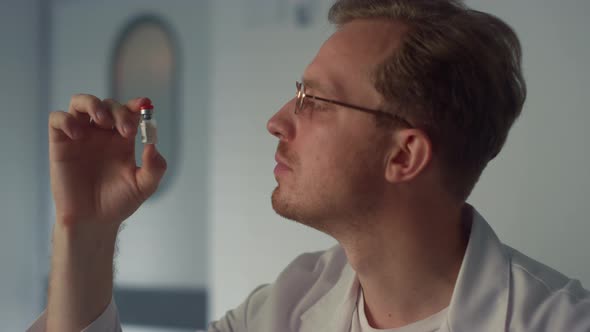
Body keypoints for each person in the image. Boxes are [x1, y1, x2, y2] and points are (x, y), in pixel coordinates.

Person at [28, 0, 590, 331]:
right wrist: (86, 229)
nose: (276, 121)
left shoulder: (559, 322)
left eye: (314, 102)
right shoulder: (289, 303)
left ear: (405, 154)